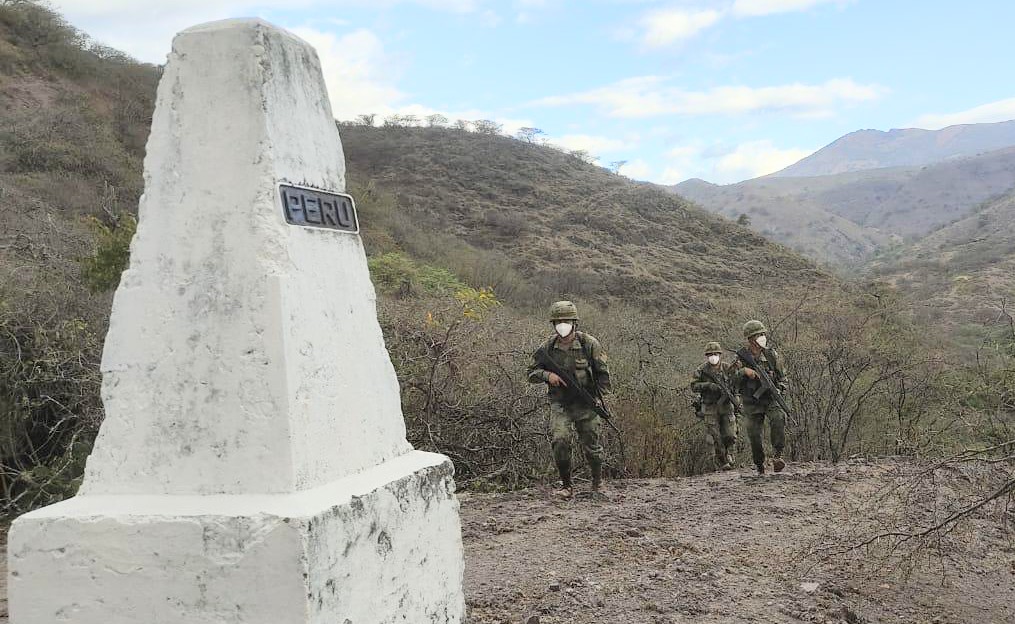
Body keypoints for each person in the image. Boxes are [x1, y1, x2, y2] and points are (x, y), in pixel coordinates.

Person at [527, 300, 611, 498]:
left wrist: (599, 398)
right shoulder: (547, 347)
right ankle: (566, 486)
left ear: (575, 323)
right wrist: (548, 376)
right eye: (558, 322)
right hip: (560, 403)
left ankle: (598, 483)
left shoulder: (588, 344)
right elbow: (531, 373)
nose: (562, 325)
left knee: (591, 444)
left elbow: (603, 374)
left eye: (566, 321)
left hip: (586, 403)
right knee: (560, 440)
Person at [734, 320, 789, 475]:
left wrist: (779, 389)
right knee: (754, 435)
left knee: (778, 418)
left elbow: (783, 377)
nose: (763, 337)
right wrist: (744, 371)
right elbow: (730, 379)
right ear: (751, 338)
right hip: (751, 402)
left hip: (770, 398)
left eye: (763, 334)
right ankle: (759, 464)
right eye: (759, 335)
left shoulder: (771, 355)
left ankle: (777, 456)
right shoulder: (741, 358)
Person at [690, 341, 739, 471]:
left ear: (720, 355)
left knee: (730, 434)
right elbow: (693, 386)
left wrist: (735, 397)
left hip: (727, 405)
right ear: (707, 356)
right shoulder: (701, 370)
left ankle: (730, 456)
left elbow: (736, 384)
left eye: (715, 354)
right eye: (710, 354)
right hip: (710, 406)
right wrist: (708, 386)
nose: (713, 356)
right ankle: (722, 462)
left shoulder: (727, 368)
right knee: (715, 436)